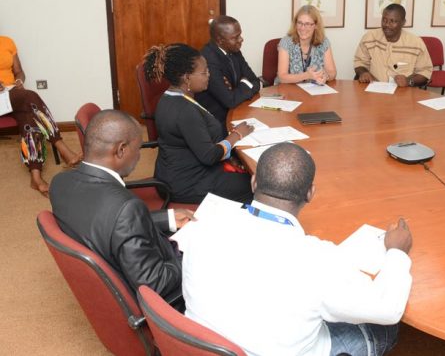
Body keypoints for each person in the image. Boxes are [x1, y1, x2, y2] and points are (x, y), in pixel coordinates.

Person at [177, 143, 413, 356]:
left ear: (254, 182)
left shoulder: (204, 223)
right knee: (386, 329)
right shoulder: (317, 259)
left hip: (204, 345)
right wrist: (397, 252)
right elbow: (388, 309)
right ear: (310, 193)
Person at [49, 109, 194, 300]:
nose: (139, 156)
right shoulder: (127, 207)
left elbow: (105, 221)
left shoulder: (60, 182)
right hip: (162, 297)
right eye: (138, 148)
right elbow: (155, 284)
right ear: (121, 150)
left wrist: (167, 218)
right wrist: (192, 258)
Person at [144, 43, 254, 204]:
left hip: (178, 172)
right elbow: (209, 156)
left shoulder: (171, 96)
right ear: (187, 78)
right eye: (204, 72)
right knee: (253, 184)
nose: (209, 75)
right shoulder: (184, 111)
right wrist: (237, 135)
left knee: (247, 174)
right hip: (186, 183)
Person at [0, 35, 82, 196]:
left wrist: (19, 81)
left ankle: (35, 177)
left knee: (29, 120)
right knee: (30, 97)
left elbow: (19, 72)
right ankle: (62, 148)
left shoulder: (7, 42)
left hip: (11, 95)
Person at [196, 15, 262, 126]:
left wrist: (239, 87)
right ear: (220, 40)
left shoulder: (234, 50)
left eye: (240, 35)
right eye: (235, 37)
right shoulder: (208, 60)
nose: (241, 39)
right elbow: (230, 101)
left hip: (239, 110)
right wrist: (245, 84)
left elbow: (255, 81)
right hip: (217, 121)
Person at [354, 3, 432, 87]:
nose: (387, 25)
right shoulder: (369, 37)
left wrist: (408, 81)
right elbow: (359, 62)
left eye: (393, 21)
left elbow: (425, 72)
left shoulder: (416, 43)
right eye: (384, 20)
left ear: (403, 23)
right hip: (374, 89)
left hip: (403, 93)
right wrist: (363, 72)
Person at [277, 5, 337, 84]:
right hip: (290, 91)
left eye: (307, 24)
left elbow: (332, 73)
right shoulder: (286, 42)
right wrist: (306, 75)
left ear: (315, 25)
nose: (302, 28)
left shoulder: (323, 42)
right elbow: (282, 77)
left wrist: (325, 77)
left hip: (315, 92)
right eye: (300, 23)